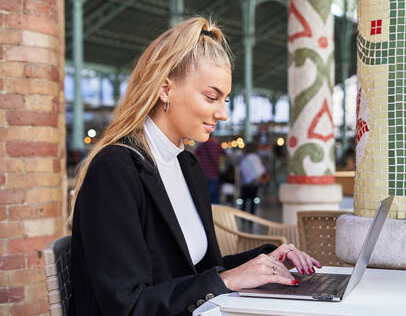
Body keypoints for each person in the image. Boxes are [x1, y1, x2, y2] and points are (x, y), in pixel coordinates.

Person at [69, 17, 321, 316]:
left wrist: (265, 260)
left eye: (225, 99)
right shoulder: (115, 170)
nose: (223, 113)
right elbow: (127, 305)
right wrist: (228, 279)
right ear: (166, 90)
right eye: (212, 97)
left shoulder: (187, 165)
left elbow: (198, 272)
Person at [239, 142, 270, 215]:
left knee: (244, 202)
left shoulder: (244, 158)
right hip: (254, 184)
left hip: (245, 184)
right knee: (253, 202)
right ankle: (251, 219)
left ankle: (243, 218)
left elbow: (241, 170)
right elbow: (260, 170)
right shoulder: (255, 158)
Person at [194, 136, 225, 204]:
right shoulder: (217, 145)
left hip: (203, 174)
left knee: (204, 197)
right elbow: (224, 155)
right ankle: (214, 213)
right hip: (214, 174)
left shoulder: (201, 146)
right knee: (214, 198)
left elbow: (195, 155)